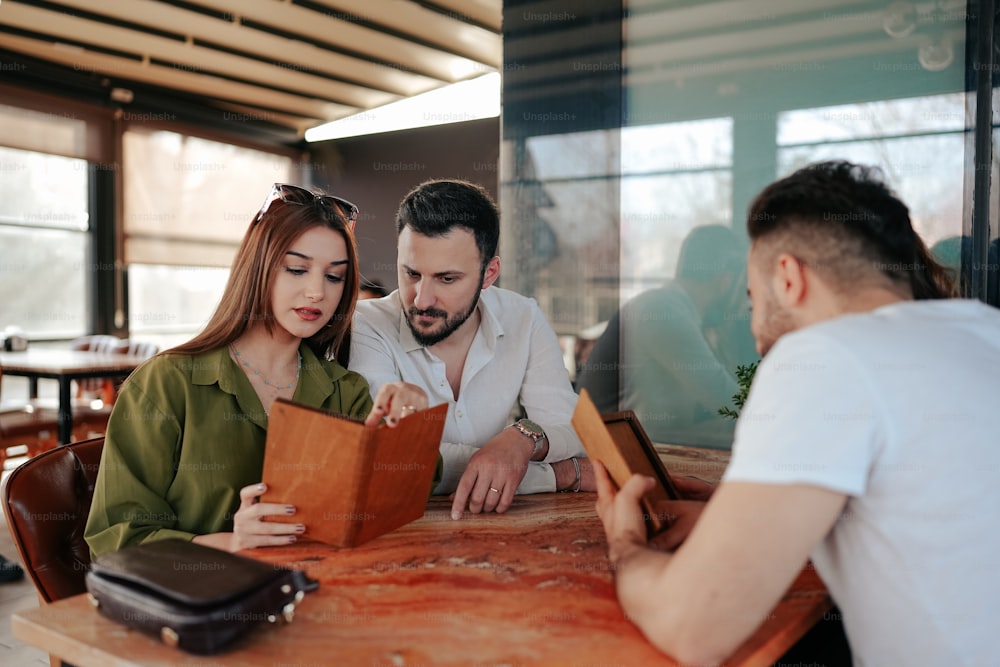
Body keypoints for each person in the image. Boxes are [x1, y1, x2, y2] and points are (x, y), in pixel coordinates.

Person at [594, 160, 1000, 666]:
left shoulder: (824, 354)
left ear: (788, 277)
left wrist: (626, 543)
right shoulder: (984, 330)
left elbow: (692, 628)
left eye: (751, 297)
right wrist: (742, 512)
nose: (756, 329)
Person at [85, 184, 428, 557]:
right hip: (204, 603)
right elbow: (115, 540)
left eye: (334, 277)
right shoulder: (165, 384)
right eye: (297, 269)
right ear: (258, 268)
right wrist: (232, 542)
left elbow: (406, 492)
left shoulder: (346, 390)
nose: (317, 292)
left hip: (318, 593)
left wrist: (410, 420)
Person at [350, 179, 593, 521]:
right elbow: (395, 459)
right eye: (412, 273)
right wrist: (562, 474)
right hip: (401, 529)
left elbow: (572, 432)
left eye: (447, 279)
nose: (422, 299)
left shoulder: (524, 317)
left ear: (489, 273)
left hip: (497, 531)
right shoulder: (365, 324)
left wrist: (522, 441)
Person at [576, 225, 755, 448]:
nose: (747, 299)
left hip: (633, 449)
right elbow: (727, 400)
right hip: (609, 457)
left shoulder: (682, 313)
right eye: (745, 286)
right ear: (727, 281)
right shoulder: (663, 311)